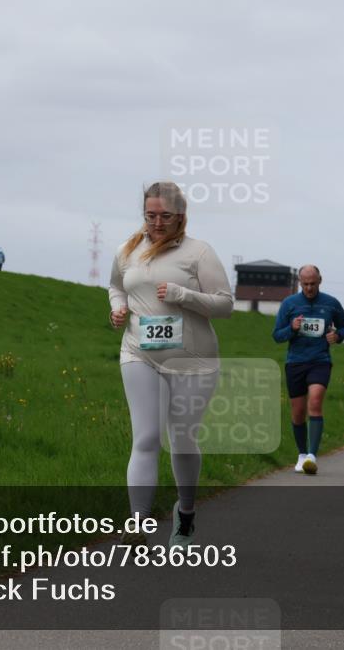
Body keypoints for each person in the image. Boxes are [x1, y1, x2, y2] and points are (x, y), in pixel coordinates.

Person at [108, 182, 233, 546]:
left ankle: (187, 511)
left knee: (181, 439)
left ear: (180, 215)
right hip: (138, 352)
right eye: (151, 216)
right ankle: (139, 523)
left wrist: (182, 295)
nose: (157, 223)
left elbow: (225, 304)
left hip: (193, 360)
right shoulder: (128, 250)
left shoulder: (199, 253)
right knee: (145, 438)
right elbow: (117, 286)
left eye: (165, 216)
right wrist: (117, 309)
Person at [273, 265, 344, 475]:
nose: (309, 288)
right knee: (298, 412)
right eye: (305, 284)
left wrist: (338, 336)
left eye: (313, 284)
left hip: (320, 360)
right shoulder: (289, 304)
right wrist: (292, 328)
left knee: (315, 402)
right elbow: (277, 335)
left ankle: (312, 457)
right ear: (300, 283)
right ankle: (301, 454)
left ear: (320, 280)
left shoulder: (331, 303)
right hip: (295, 362)